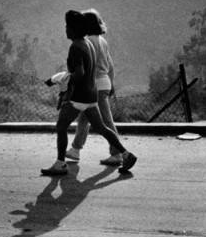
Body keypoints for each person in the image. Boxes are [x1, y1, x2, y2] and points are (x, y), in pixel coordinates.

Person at [41, 10, 137, 176]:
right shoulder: (89, 44)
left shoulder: (75, 47)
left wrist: (66, 92)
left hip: (79, 96)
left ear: (73, 29)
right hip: (92, 94)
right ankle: (126, 154)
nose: (65, 30)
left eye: (67, 27)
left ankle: (60, 163)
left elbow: (79, 73)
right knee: (101, 127)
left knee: (61, 126)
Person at [65, 9, 123, 165]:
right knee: (84, 118)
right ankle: (75, 150)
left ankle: (118, 153)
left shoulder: (88, 42)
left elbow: (85, 66)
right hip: (104, 82)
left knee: (106, 121)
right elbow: (110, 66)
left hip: (94, 84)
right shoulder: (102, 41)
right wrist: (111, 84)